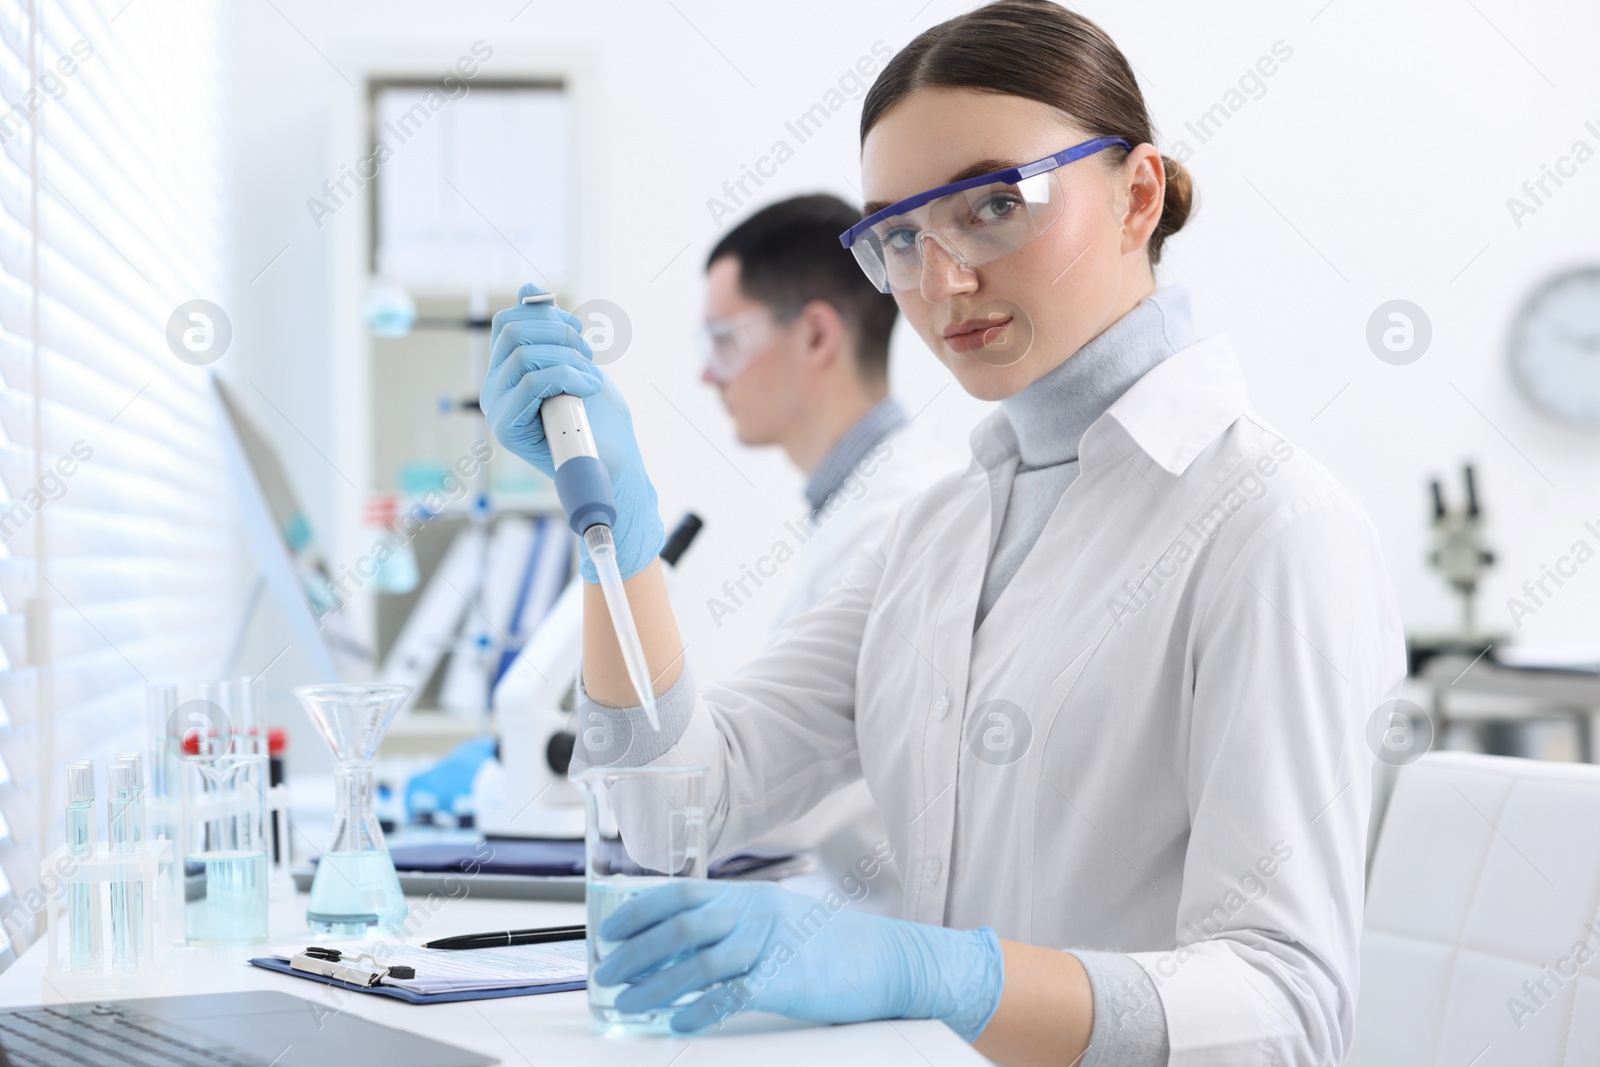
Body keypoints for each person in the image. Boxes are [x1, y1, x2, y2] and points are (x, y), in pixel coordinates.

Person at [481, 3, 1405, 1064]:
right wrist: (618, 543)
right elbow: (674, 803)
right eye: (901, 235)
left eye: (996, 207)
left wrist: (945, 974)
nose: (939, 280)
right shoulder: (942, 527)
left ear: (1136, 195)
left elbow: (1284, 1008)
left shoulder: (1271, 525)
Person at [696, 194, 965, 914]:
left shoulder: (905, 509)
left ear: (816, 336)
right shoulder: (860, 500)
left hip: (883, 934)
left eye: (724, 341)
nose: (707, 375)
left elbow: (797, 788)